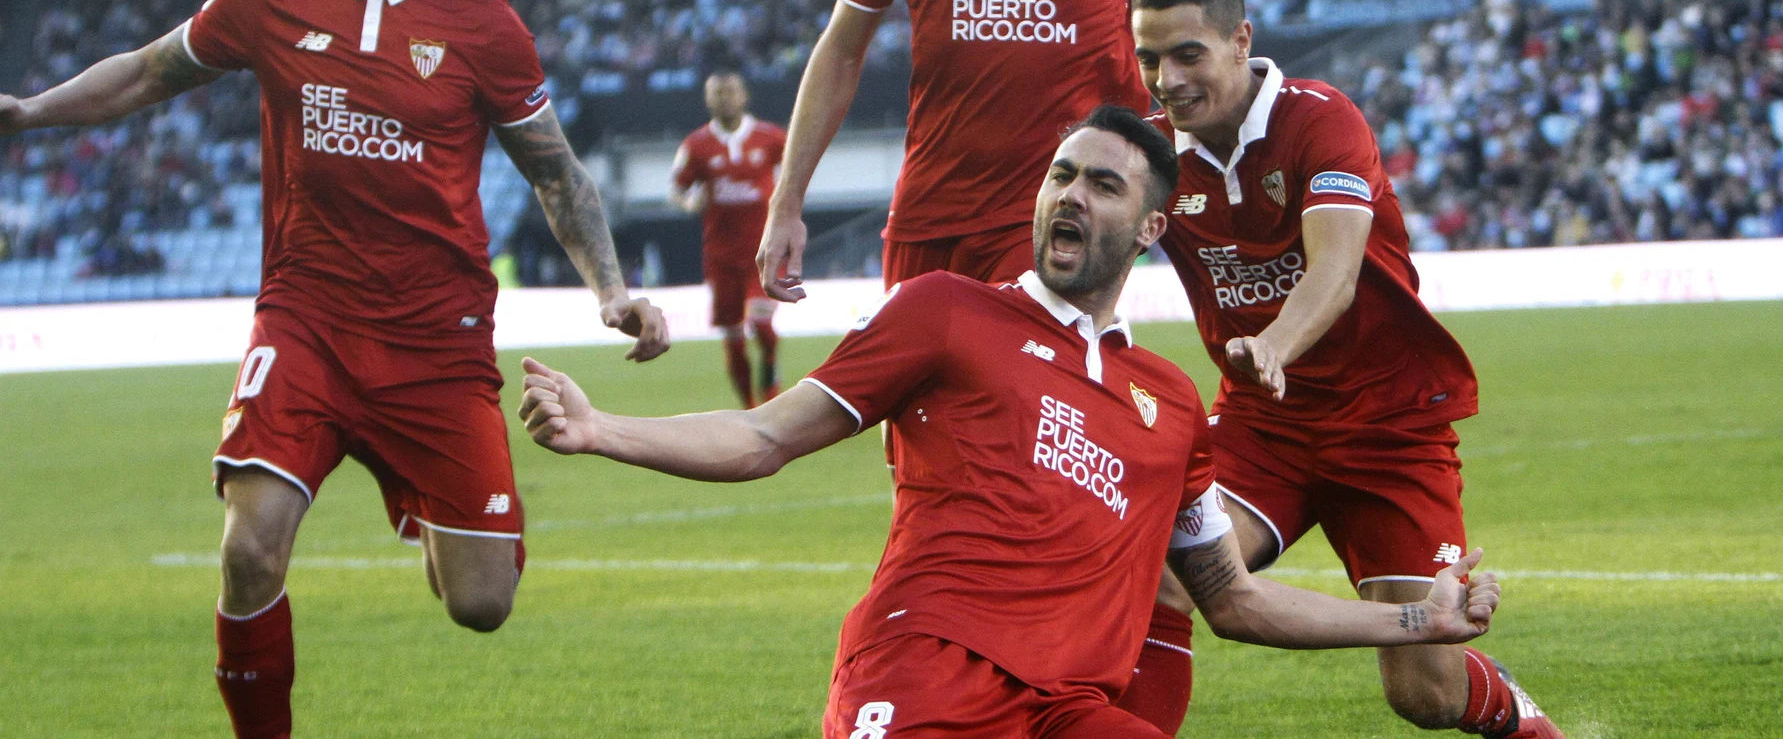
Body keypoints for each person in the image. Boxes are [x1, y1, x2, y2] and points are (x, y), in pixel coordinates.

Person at [0, 0, 670, 739]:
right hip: (305, 324)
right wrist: (31, 112)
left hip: (436, 344)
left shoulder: (485, 25)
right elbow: (150, 71)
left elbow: (555, 168)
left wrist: (613, 290)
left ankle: (434, 511)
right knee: (250, 551)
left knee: (481, 602)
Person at [524, 106, 1503, 738]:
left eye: (1103, 184)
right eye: (1061, 174)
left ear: (1152, 228)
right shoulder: (945, 310)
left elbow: (1234, 601)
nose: (1070, 194)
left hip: (1069, 712)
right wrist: (605, 427)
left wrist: (1419, 619)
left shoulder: (1167, 406)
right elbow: (765, 436)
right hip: (925, 677)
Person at [754, 0, 1202, 717]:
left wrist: (1182, 204)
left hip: (1067, 248)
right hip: (937, 249)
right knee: (941, 507)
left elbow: (1188, 60)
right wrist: (788, 204)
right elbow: (842, 47)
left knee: (1103, 513)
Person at [1129, 0, 1563, 739]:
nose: (1167, 77)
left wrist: (1273, 346)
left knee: (1424, 692)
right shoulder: (1156, 155)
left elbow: (1333, 270)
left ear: (1239, 41)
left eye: (1187, 53)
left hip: (1390, 426)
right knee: (1165, 572)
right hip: (1266, 429)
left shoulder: (1320, 118)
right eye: (1149, 58)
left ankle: (1523, 721)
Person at [670, 69, 787, 408]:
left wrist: (788, 198)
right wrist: (690, 202)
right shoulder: (697, 145)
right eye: (717, 92)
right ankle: (750, 407)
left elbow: (797, 166)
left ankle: (771, 383)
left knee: (762, 325)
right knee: (733, 338)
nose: (725, 98)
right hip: (721, 256)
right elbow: (676, 189)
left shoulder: (770, 138)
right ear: (708, 99)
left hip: (762, 251)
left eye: (731, 91)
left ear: (744, 96)